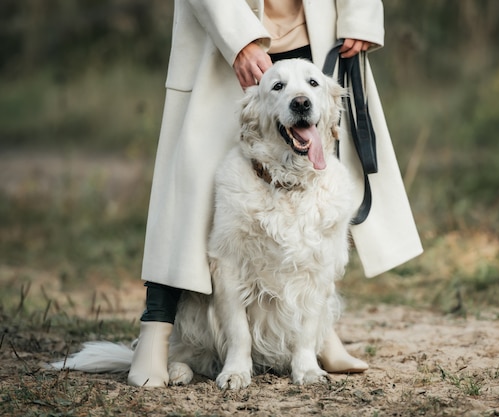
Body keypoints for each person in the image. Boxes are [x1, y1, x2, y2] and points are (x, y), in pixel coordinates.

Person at [128, 0, 423, 387]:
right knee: (188, 194)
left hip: (314, 27)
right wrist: (239, 38)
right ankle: (157, 335)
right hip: (223, 27)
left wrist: (360, 14)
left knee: (312, 184)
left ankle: (316, 335)